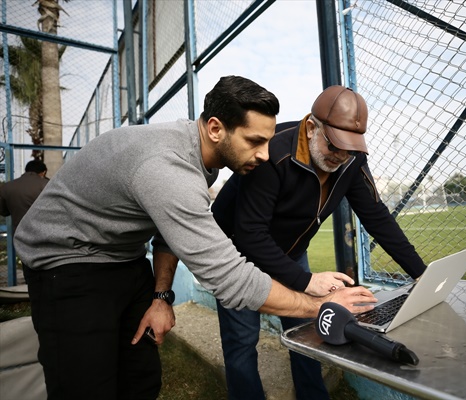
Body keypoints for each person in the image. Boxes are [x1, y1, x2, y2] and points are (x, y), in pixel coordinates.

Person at [14, 76, 376, 400]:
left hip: (123, 257)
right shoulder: (170, 171)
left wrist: (160, 297)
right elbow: (230, 279)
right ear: (216, 128)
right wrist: (321, 306)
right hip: (66, 260)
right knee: (87, 386)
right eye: (255, 141)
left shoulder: (200, 159)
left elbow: (167, 233)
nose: (266, 155)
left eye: (268, 141)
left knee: (142, 380)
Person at [209, 85, 428, 400]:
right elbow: (250, 234)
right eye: (334, 144)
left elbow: (376, 216)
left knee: (308, 336)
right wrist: (306, 281)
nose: (341, 156)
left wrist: (419, 272)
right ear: (312, 127)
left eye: (349, 148)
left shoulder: (350, 160)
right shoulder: (273, 153)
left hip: (291, 253)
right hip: (239, 255)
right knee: (242, 342)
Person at [0, 159, 48, 235]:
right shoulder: (47, 185)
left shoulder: (7, 187)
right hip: (44, 234)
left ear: (26, 170)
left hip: (19, 235)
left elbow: (3, 211)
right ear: (43, 172)